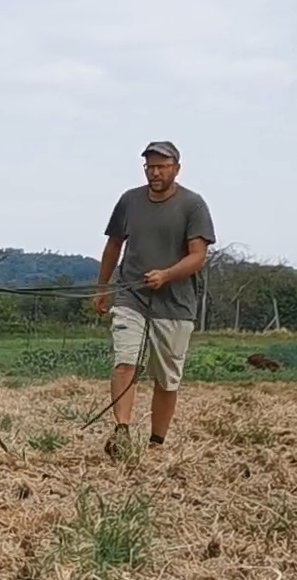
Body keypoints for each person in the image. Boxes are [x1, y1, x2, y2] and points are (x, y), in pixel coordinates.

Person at [93, 140, 216, 459]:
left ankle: (156, 442)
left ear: (176, 168)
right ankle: (122, 432)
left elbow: (198, 256)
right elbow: (113, 246)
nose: (155, 172)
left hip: (175, 304)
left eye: (162, 166)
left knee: (166, 378)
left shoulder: (193, 205)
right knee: (125, 363)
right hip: (131, 296)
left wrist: (166, 274)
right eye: (150, 167)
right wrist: (103, 287)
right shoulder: (129, 201)